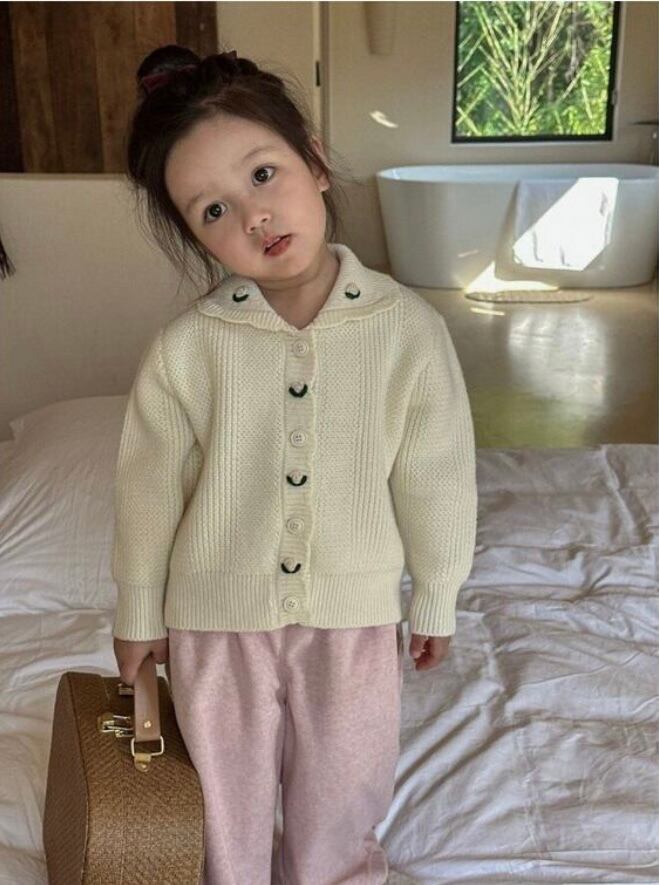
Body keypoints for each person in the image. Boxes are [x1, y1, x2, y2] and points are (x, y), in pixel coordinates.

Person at [111, 43, 478, 885]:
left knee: (343, 793)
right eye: (213, 209)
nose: (253, 217)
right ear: (193, 235)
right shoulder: (187, 348)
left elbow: (435, 473)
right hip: (213, 623)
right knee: (219, 805)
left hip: (352, 620)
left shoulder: (407, 331)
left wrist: (437, 590)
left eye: (263, 174)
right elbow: (147, 489)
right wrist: (137, 610)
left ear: (313, 162)